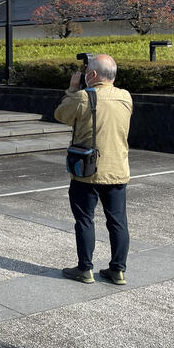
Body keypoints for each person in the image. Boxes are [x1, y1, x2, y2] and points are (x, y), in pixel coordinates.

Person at [54, 54, 133, 286]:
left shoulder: (82, 97)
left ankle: (85, 269)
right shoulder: (126, 97)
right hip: (117, 170)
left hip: (87, 171)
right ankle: (118, 271)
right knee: (118, 221)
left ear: (93, 74)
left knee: (85, 220)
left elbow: (60, 114)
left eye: (88, 70)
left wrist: (72, 88)